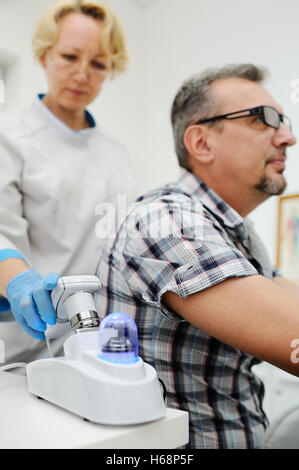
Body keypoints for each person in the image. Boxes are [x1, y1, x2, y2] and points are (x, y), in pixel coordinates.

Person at [96, 63, 299, 449]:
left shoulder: (237, 233)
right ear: (201, 143)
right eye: (263, 120)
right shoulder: (168, 220)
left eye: (284, 122)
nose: (287, 137)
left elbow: (285, 296)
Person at [0, 0, 135, 364]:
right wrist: (20, 285)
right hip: (24, 342)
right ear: (45, 55)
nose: (82, 74)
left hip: (101, 340)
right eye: (70, 57)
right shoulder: (8, 136)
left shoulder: (115, 154)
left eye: (98, 64)